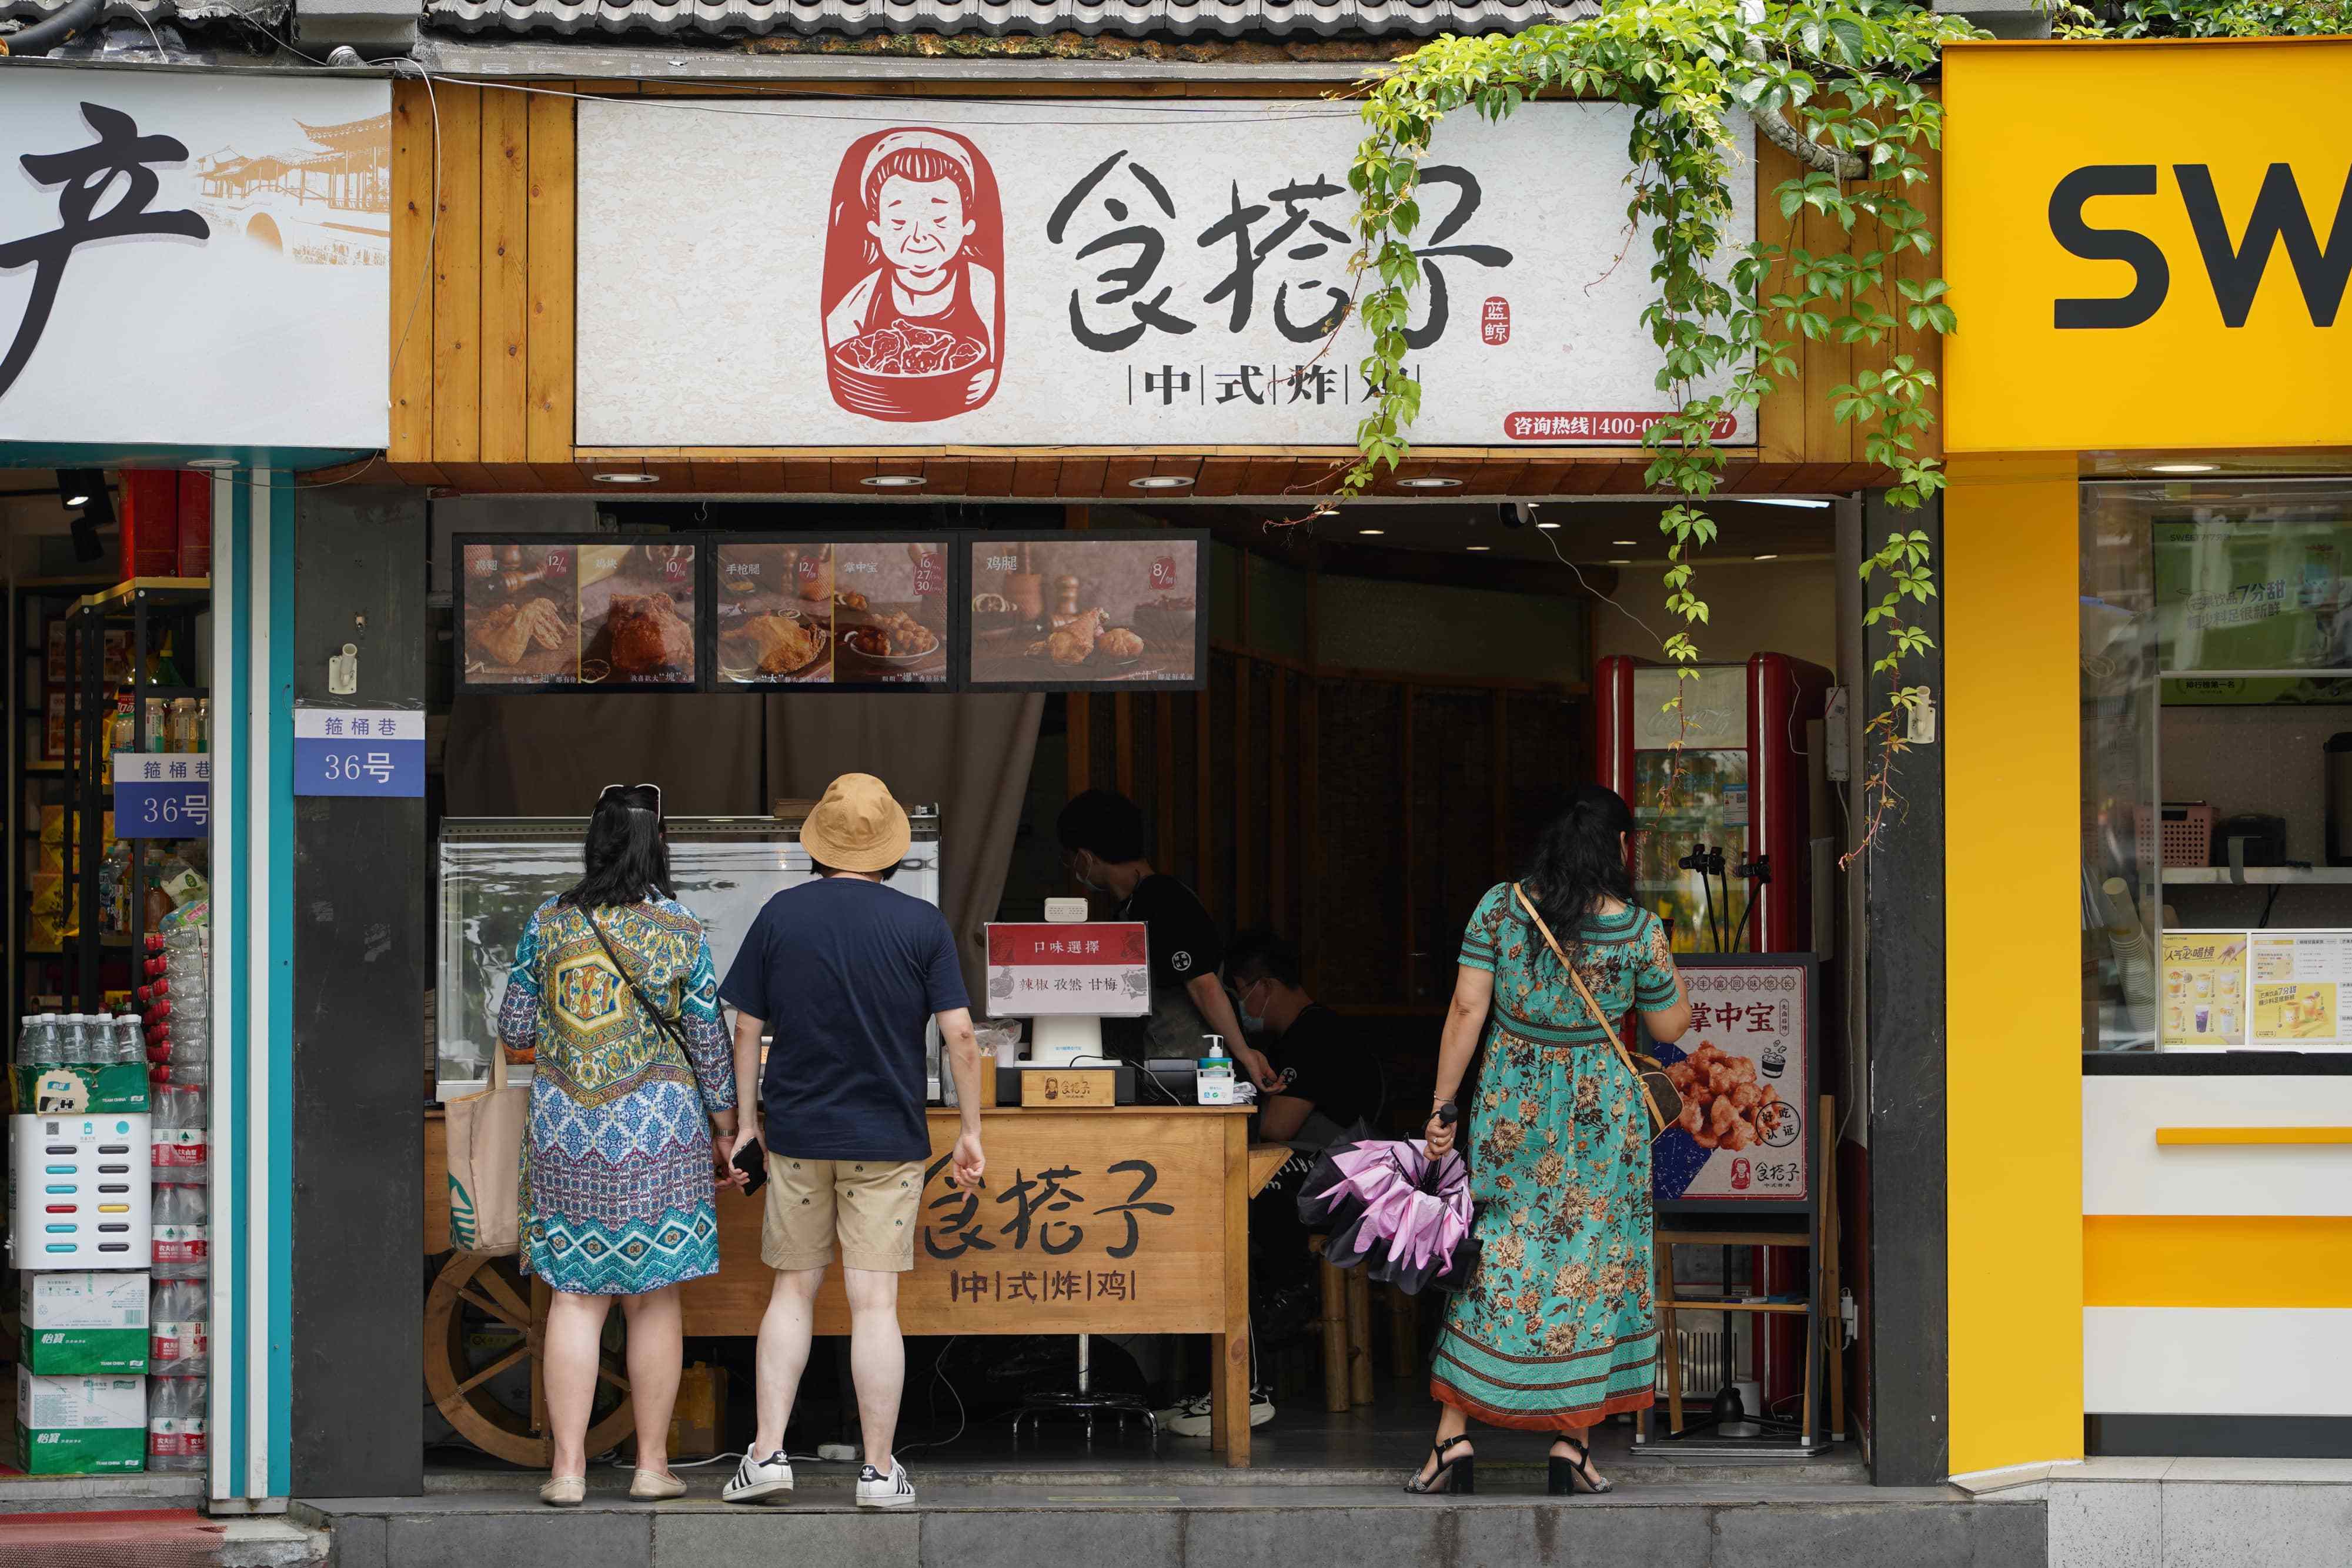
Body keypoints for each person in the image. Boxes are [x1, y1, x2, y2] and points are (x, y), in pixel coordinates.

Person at [1408, 784, 1692, 1499]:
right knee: (1588, 1265)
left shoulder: (1502, 908)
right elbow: (1668, 1029)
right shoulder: (1638, 930)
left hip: (1515, 1110)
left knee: (1498, 1254)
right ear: (1620, 848)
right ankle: (1570, 1447)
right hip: (1602, 1119)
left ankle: (1452, 1441)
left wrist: (1442, 1106)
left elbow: (1467, 1010)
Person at [719, 774, 985, 1510]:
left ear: (820, 846)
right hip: (888, 1138)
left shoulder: (781, 914)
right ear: (890, 850)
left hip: (799, 1135)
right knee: (874, 1306)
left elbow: (745, 1028)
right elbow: (960, 1035)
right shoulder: (920, 924)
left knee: (792, 1293)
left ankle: (768, 1455)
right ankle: (876, 1472)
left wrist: (747, 1125)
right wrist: (969, 1132)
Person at [495, 784, 742, 1508]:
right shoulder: (682, 929)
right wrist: (727, 1130)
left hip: (568, 1129)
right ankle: (650, 1465)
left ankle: (567, 1471)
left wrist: (573, 1050)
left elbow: (514, 1033)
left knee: (573, 1299)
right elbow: (708, 1042)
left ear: (594, 844)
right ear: (657, 847)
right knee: (654, 1299)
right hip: (662, 1131)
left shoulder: (549, 923)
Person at [1054, 789, 1276, 1091]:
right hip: (1165, 1066)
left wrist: (1245, 1055)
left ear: (1084, 858)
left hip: (1196, 1072)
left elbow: (1203, 984)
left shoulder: (1161, 898)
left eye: (1070, 861)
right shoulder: (1132, 905)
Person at [1225, 928, 1371, 1148]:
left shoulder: (1315, 1034)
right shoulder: (1291, 1034)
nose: (1237, 1003)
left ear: (1265, 986)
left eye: (1239, 992)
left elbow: (1276, 1128)